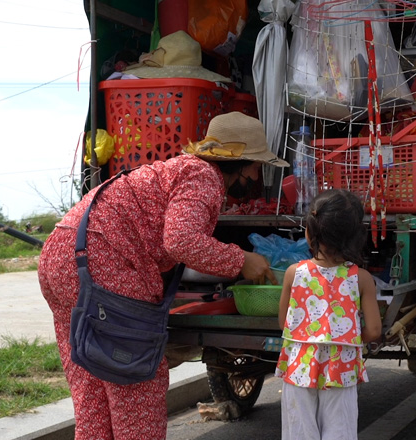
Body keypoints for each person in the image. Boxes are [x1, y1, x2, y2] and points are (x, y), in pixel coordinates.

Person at [37, 112, 288, 440]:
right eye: (255, 164)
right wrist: (242, 260)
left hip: (60, 256)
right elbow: (181, 240)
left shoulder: (177, 169)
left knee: (93, 383)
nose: (257, 173)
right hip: (103, 261)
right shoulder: (203, 176)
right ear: (238, 162)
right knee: (136, 381)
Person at [275, 189, 382, 440]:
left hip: (299, 362)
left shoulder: (294, 273)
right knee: (339, 431)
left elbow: (285, 324)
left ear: (309, 233)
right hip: (340, 366)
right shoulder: (361, 278)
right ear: (356, 237)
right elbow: (375, 330)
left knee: (298, 431)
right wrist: (346, 339)